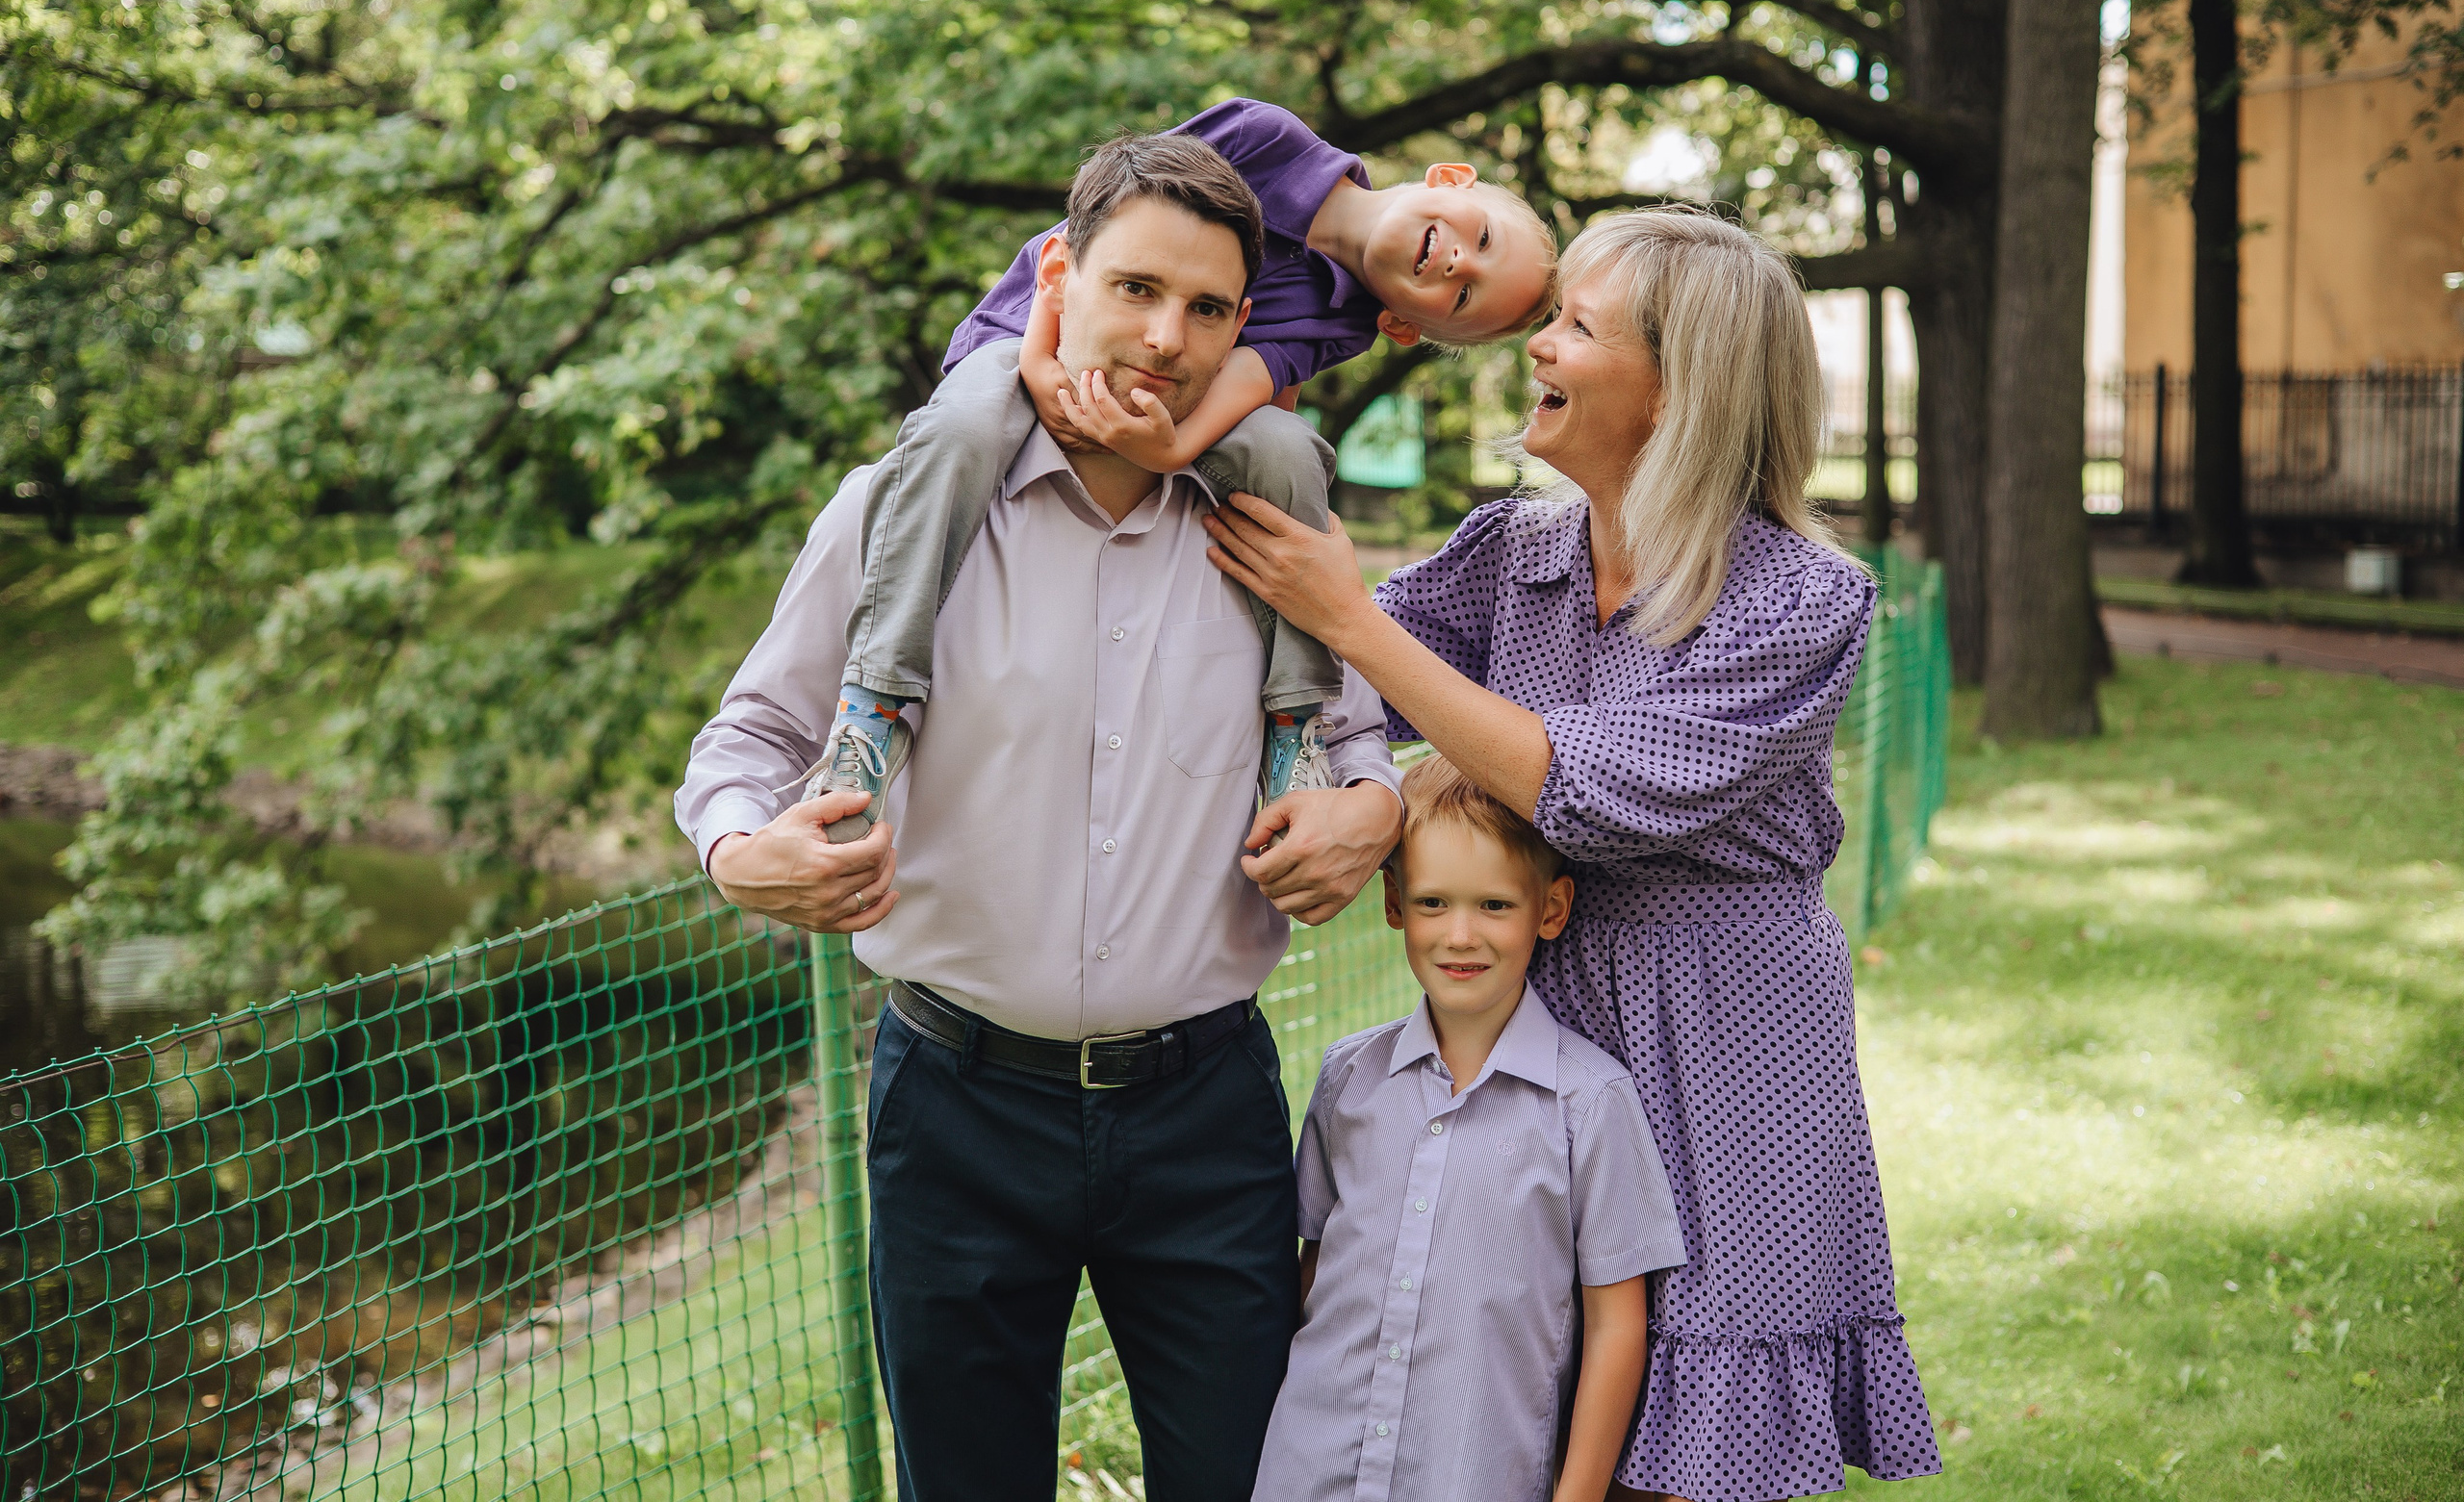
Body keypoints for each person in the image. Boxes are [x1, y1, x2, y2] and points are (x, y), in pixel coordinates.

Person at [674, 129, 1407, 1502]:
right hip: (954, 1107)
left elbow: (1361, 741)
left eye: (1205, 309)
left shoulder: (1280, 532)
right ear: (1057, 275)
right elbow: (749, 738)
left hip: (1206, 1113)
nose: (1165, 337)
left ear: (1243, 327)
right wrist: (735, 847)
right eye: (1134, 287)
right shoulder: (894, 508)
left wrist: (1365, 809)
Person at [1202, 206, 1942, 1501]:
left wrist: (1355, 626)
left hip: (1732, 1047)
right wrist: (1375, 798)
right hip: (1542, 1021)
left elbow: (1589, 784)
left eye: (1575, 327)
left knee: (1689, 1439)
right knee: (1537, 1393)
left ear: (1678, 393)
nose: (1533, 342)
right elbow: (1342, 686)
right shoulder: (1515, 554)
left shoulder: (1797, 599)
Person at [819, 98, 1557, 841]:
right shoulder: (1266, 138)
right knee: (960, 427)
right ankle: (875, 700)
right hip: (1040, 334)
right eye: (1485, 239)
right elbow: (1099, 225)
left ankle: (1294, 724)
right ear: (1452, 178)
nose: (1462, 262)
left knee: (1291, 452)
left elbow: (1240, 397)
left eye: (1465, 295)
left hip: (1170, 404)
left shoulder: (1340, 322)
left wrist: (1166, 449)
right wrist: (1040, 363)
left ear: (1405, 326)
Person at [1252, 753, 1687, 1502]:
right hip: (1312, 1467)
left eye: (1493, 904)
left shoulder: (1591, 1101)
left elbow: (1619, 1325)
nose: (1460, 934)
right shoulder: (1348, 1079)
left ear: (1550, 909)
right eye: (1432, 903)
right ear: (1393, 902)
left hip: (1473, 1472)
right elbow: (1316, 1269)